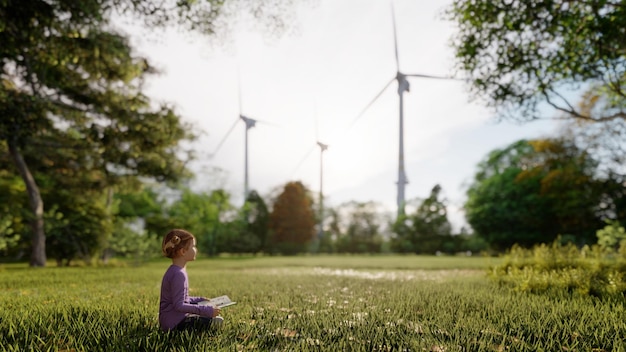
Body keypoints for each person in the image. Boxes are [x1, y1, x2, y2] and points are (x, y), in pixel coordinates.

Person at [159, 229, 223, 331]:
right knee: (217, 321)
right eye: (193, 246)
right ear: (183, 251)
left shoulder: (175, 270)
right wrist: (207, 310)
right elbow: (179, 305)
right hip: (175, 324)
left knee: (209, 316)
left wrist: (200, 299)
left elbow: (182, 298)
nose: (196, 249)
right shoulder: (179, 274)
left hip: (169, 320)